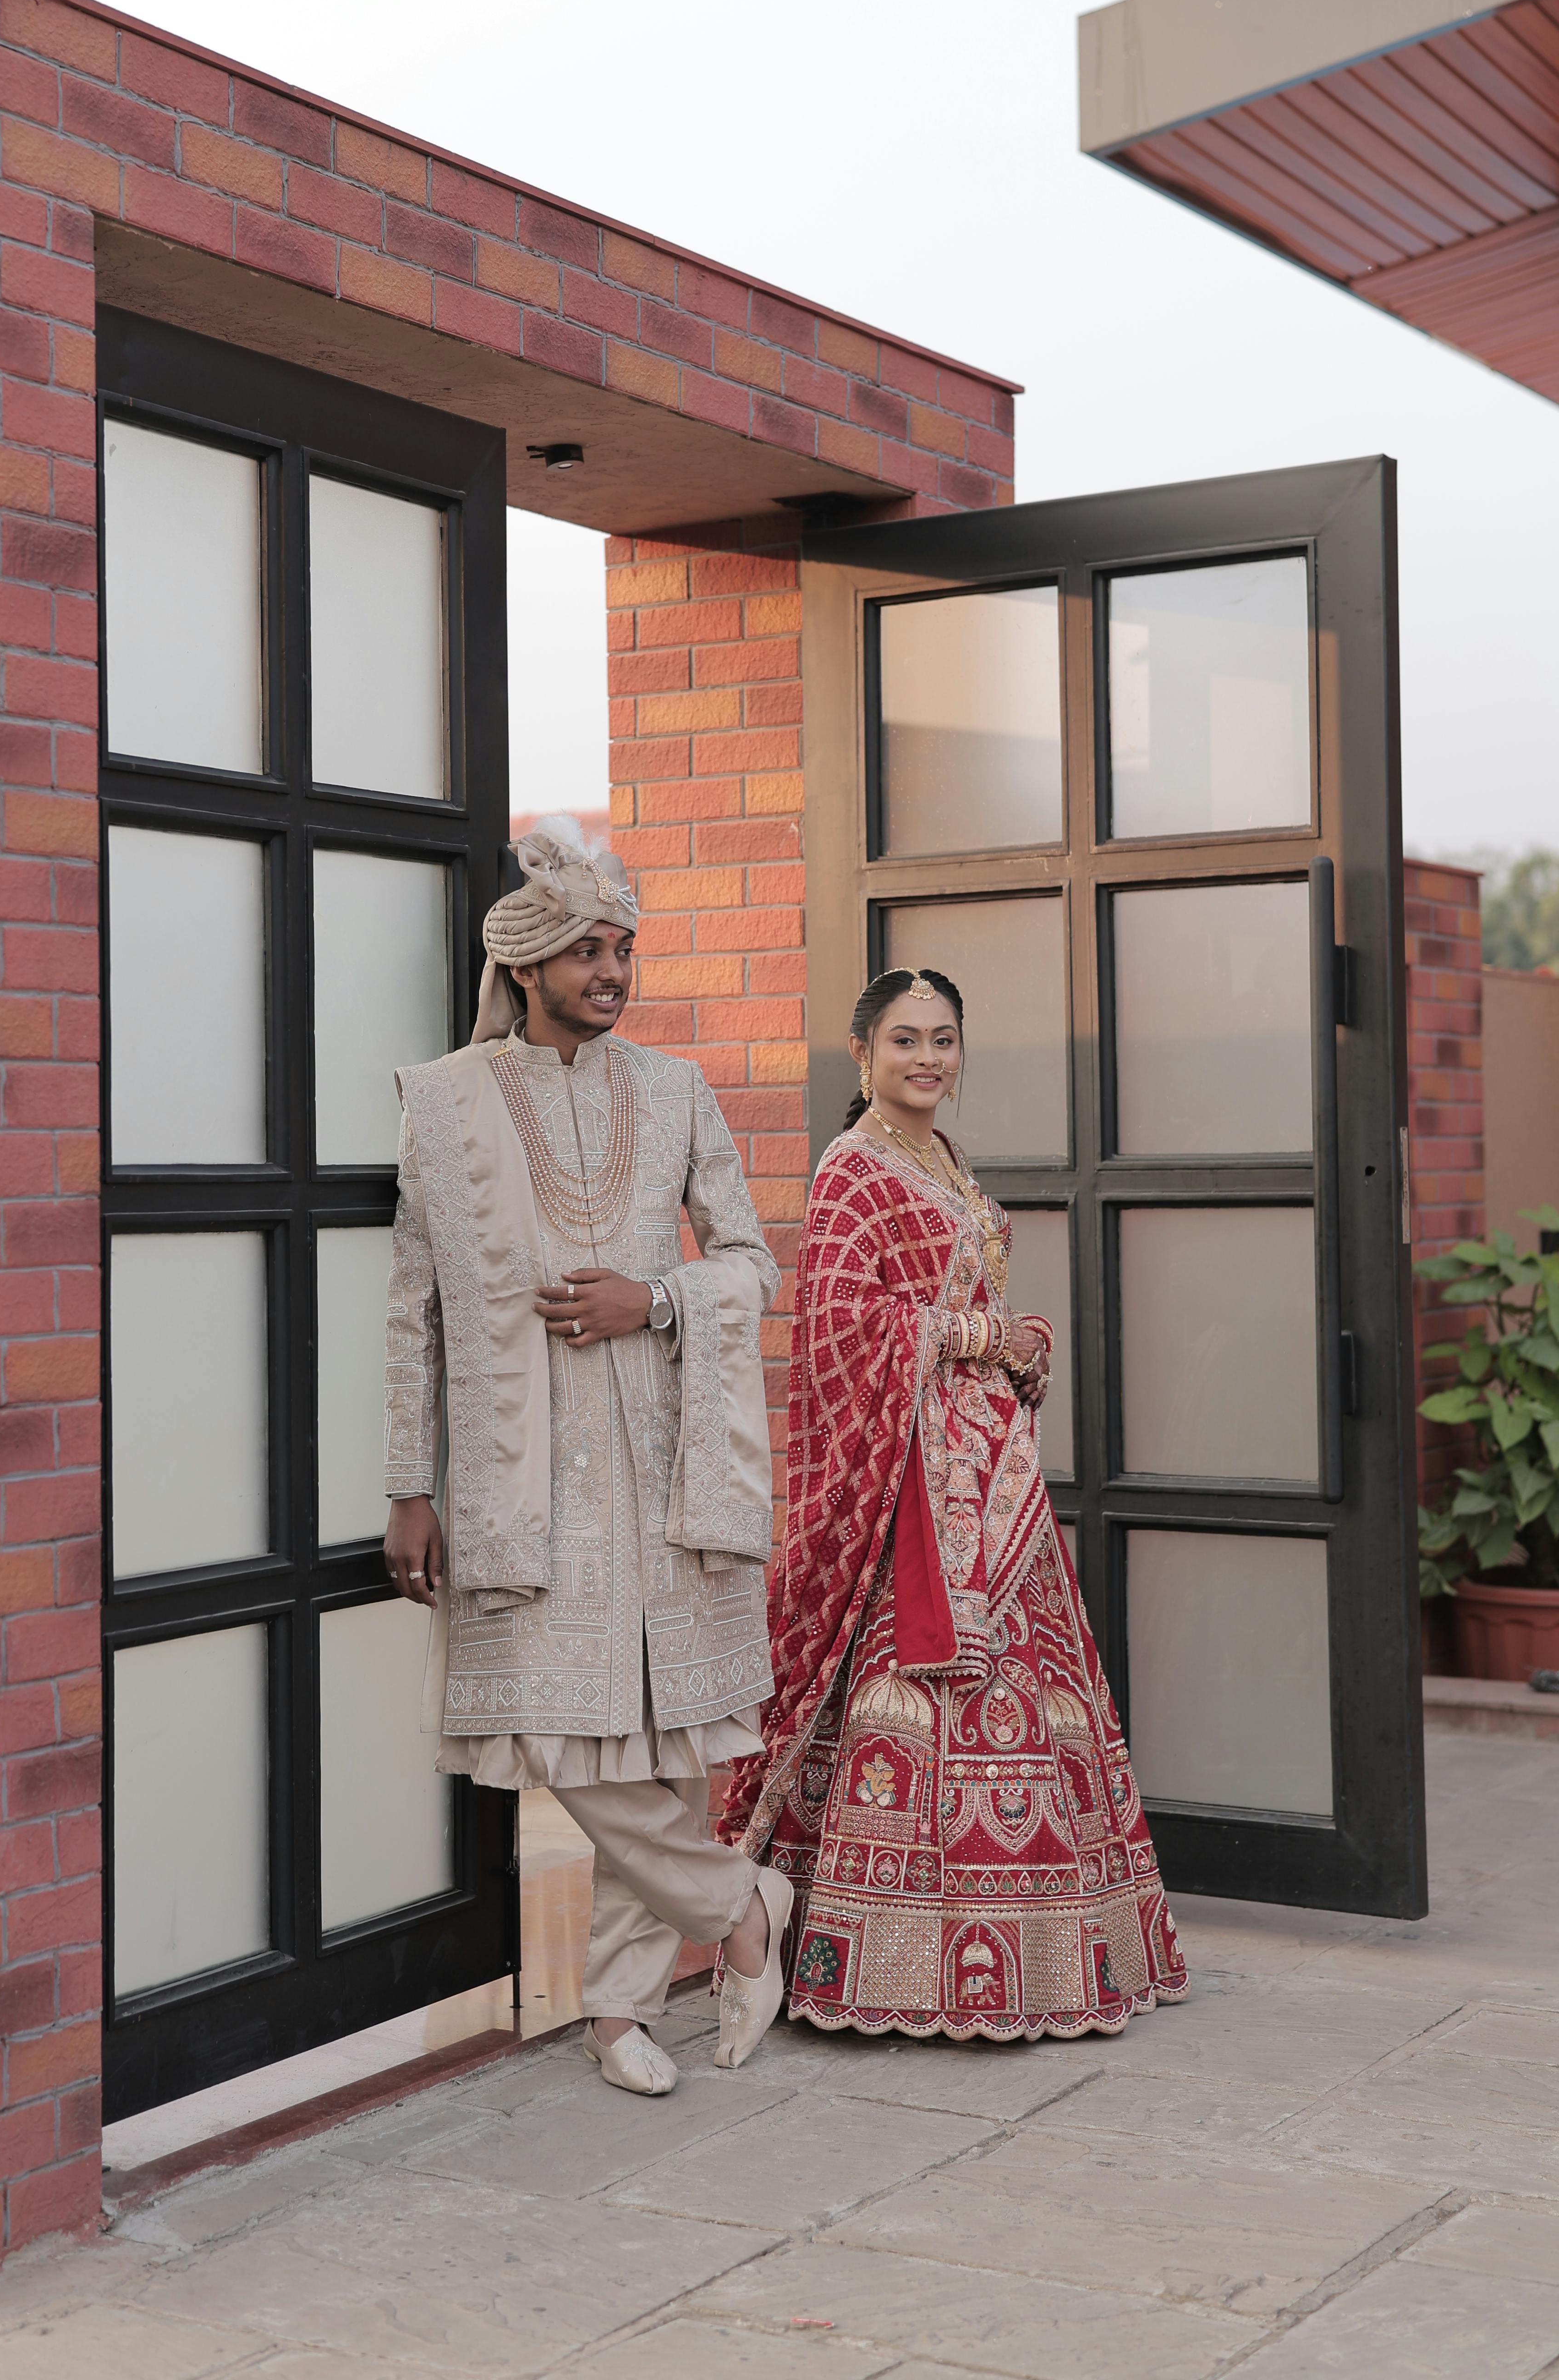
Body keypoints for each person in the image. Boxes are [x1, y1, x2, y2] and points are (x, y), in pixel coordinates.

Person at [382, 826, 796, 2094]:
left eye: (622, 950)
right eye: (587, 950)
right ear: (527, 965)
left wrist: (656, 1302)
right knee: (557, 1734)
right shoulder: (447, 1101)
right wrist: (410, 1483)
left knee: (660, 1752)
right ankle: (742, 1907)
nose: (613, 971)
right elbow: (416, 1306)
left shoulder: (675, 1092)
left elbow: (753, 1265)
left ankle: (616, 2013)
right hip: (524, 1478)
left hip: (668, 1464)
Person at [719, 967, 1187, 2040]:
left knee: (1027, 1691)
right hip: (911, 1486)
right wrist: (983, 1338)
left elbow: (954, 1300)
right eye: (903, 1041)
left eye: (941, 1040)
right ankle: (884, 1960)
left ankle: (1040, 1957)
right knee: (923, 1692)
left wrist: (1019, 1348)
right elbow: (839, 1324)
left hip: (990, 1468)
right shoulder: (851, 1167)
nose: (926, 1058)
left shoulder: (940, 1160)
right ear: (862, 1054)